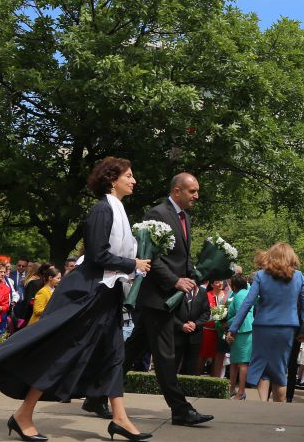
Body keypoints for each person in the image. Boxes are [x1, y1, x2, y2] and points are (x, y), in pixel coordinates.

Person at [0, 156, 153, 442]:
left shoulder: (118, 210)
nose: (134, 180)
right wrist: (132, 265)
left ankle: (120, 418)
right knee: (62, 353)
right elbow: (98, 256)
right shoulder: (102, 211)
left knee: (114, 354)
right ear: (113, 179)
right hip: (87, 294)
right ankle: (23, 414)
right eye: (129, 175)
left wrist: (130, 266)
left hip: (106, 294)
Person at [119, 172, 214, 427]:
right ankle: (180, 409)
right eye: (192, 191)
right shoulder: (157, 214)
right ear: (177, 191)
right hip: (156, 297)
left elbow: (178, 258)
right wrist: (174, 281)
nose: (196, 195)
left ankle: (95, 395)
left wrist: (195, 272)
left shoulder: (185, 218)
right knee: (165, 355)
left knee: (132, 349)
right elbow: (149, 254)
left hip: (168, 297)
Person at [226, 243, 304, 403]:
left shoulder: (261, 276)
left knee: (262, 368)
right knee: (280, 369)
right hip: (287, 328)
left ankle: (263, 405)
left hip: (262, 327)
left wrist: (234, 328)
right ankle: (279, 409)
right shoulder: (299, 276)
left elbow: (247, 303)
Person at [226, 273, 254, 400]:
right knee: (235, 362)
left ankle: (241, 391)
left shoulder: (241, 295)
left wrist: (226, 324)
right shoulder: (240, 293)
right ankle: (233, 389)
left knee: (242, 363)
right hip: (240, 330)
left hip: (243, 330)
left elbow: (240, 315)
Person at [172, 284, 210, 375]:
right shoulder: (176, 290)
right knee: (174, 364)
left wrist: (196, 324)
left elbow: (206, 312)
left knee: (191, 366)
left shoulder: (202, 292)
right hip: (178, 334)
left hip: (195, 335)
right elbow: (170, 312)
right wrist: (181, 325)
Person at [199, 279, 228, 378]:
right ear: (211, 284)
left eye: (221, 281)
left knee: (218, 357)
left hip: (221, 332)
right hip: (208, 330)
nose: (220, 283)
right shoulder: (207, 295)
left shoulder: (227, 295)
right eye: (216, 282)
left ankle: (214, 381)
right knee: (203, 356)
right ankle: (196, 378)